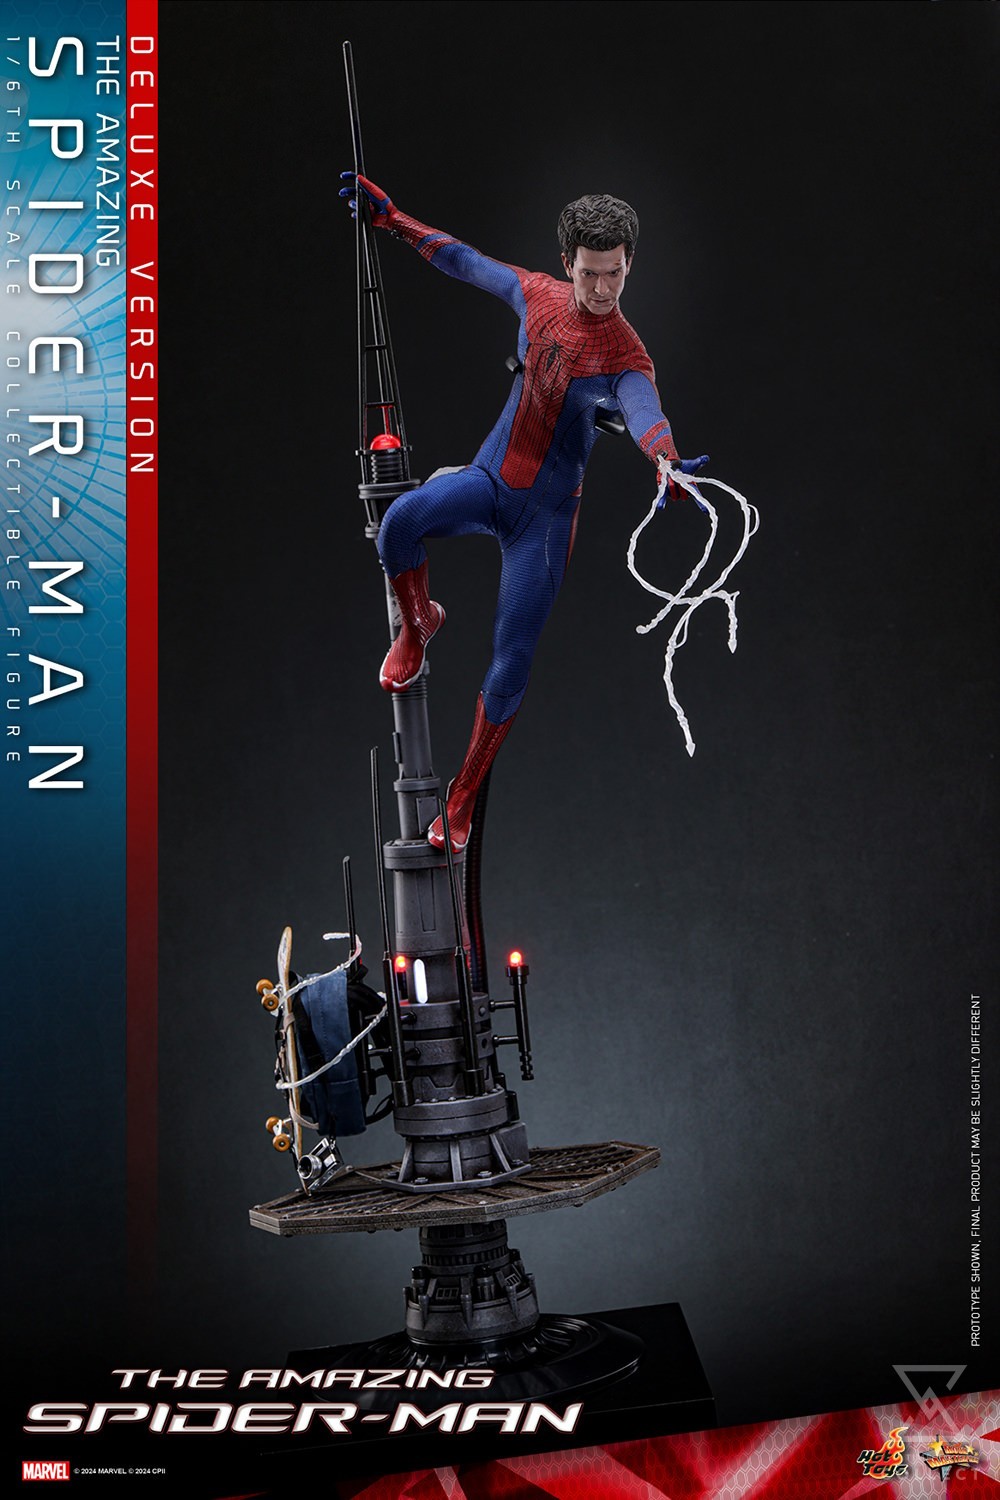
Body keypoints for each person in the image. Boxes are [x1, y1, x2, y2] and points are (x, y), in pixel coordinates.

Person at [341, 173, 707, 851]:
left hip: (543, 522)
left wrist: (666, 459)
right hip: (490, 481)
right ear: (567, 262)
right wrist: (392, 220)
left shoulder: (627, 354)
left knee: (511, 661)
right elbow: (464, 260)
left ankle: (461, 798)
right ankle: (420, 622)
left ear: (630, 264)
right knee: (398, 526)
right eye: (591, 273)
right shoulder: (537, 296)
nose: (603, 289)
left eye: (616, 273)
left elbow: (643, 407)